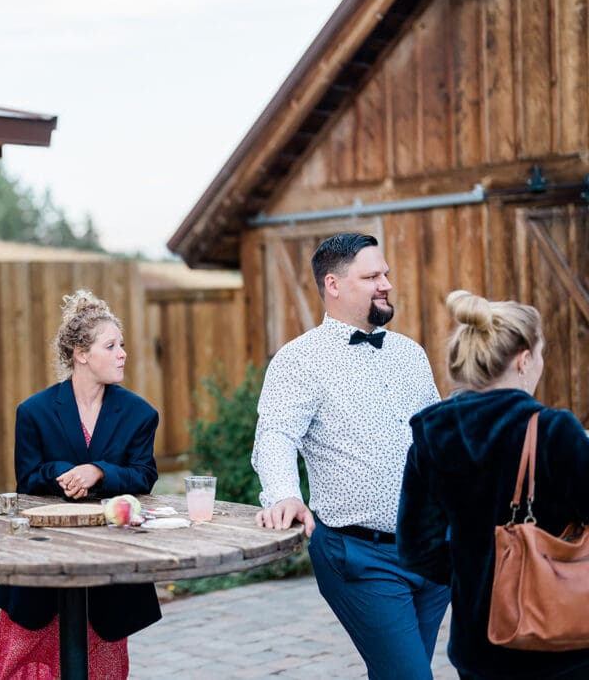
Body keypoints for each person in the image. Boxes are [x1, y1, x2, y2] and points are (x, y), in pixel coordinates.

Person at [251, 232, 450, 680]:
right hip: (361, 555)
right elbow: (276, 436)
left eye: (386, 274)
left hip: (434, 552)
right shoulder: (298, 360)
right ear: (334, 285)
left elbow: (437, 436)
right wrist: (284, 494)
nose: (386, 284)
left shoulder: (410, 354)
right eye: (372, 276)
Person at [0, 288, 161, 680]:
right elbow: (28, 480)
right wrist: (65, 474)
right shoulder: (33, 412)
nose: (123, 353)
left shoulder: (140, 414)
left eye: (122, 345)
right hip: (40, 566)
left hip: (109, 569)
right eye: (111, 345)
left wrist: (100, 471)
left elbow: (144, 475)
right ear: (81, 354)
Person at [397, 290, 589, 680]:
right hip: (564, 645)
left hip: (480, 644)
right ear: (523, 359)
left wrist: (477, 568)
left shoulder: (432, 434)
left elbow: (417, 550)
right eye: (540, 353)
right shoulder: (555, 431)